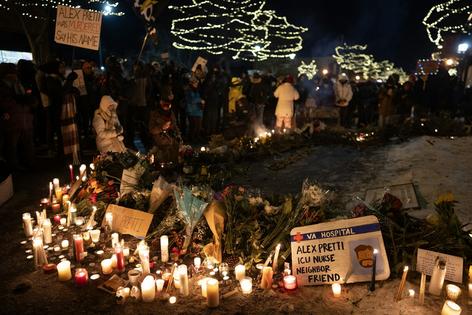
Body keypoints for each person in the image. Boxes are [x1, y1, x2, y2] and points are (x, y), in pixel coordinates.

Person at [0, 63, 36, 170]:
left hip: (25, 119)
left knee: (27, 143)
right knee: (12, 146)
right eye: (13, 72)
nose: (15, 75)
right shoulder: (3, 87)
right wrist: (20, 100)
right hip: (12, 120)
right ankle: (13, 168)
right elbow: (5, 103)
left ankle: (30, 163)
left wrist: (30, 101)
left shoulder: (19, 84)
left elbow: (30, 98)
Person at [149, 92, 181, 164]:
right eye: (164, 104)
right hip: (161, 142)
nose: (166, 107)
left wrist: (178, 135)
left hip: (173, 140)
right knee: (164, 161)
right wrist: (162, 127)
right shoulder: (154, 114)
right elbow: (151, 129)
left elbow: (175, 125)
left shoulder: (171, 113)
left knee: (174, 158)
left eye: (168, 105)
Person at [61, 72, 81, 163]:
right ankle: (70, 157)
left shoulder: (68, 86)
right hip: (66, 112)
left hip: (72, 111)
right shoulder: (63, 86)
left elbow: (77, 92)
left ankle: (75, 155)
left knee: (74, 134)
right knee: (68, 135)